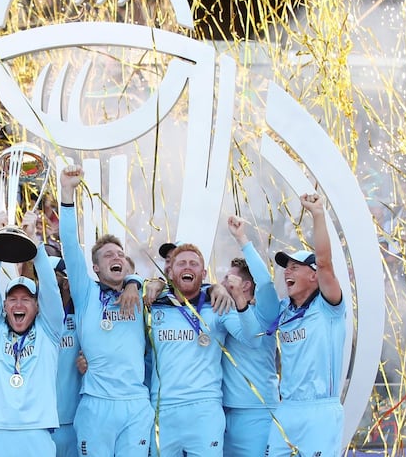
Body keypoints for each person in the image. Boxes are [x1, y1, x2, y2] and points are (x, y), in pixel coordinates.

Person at [58, 164, 151, 457]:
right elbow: (70, 245)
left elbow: (168, 284)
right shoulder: (86, 294)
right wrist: (67, 193)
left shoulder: (142, 293)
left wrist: (136, 282)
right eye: (109, 255)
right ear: (96, 268)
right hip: (96, 403)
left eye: (121, 255)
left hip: (136, 403)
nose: (117, 257)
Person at [147, 242, 261, 456]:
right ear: (170, 272)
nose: (187, 267)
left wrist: (238, 298)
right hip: (162, 410)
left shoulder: (218, 304)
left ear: (204, 273)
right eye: (181, 263)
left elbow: (253, 339)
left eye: (193, 263)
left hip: (204, 409)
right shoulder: (153, 304)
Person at [0, 211, 64, 455]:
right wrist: (0, 241)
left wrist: (34, 244)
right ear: (4, 306)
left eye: (26, 299)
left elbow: (51, 291)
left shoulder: (49, 332)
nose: (18, 304)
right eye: (12, 298)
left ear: (37, 307)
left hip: (37, 432)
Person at [265, 193, 346, 457]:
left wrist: (318, 214)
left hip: (320, 410)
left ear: (314, 276)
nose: (287, 272)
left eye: (295, 267)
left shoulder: (329, 306)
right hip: (286, 408)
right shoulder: (284, 310)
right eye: (285, 267)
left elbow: (324, 261)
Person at [221, 216, 280, 457]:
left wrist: (242, 239)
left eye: (229, 278)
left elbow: (264, 281)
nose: (222, 282)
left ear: (245, 285)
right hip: (224, 412)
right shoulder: (223, 309)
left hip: (259, 411)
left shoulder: (266, 312)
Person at [49, 256, 82, 457]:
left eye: (53, 278)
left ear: (67, 283)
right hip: (43, 422)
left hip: (75, 420)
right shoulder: (31, 318)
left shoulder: (82, 314)